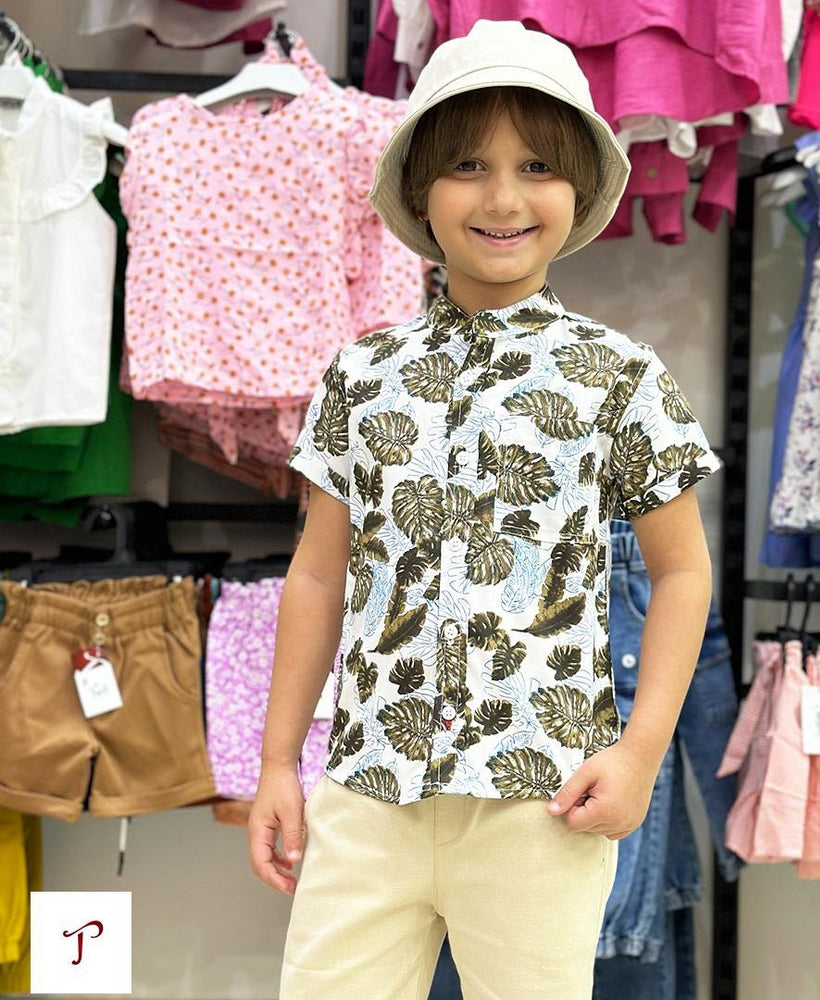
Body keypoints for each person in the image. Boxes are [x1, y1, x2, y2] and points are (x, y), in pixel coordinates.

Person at [248, 19, 720, 999]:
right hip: (369, 790)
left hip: (538, 800)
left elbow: (682, 571)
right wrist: (277, 764)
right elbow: (318, 576)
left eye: (536, 167)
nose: (503, 197)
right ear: (422, 187)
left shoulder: (618, 376)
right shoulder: (362, 375)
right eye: (468, 164)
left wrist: (638, 754)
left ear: (577, 190)